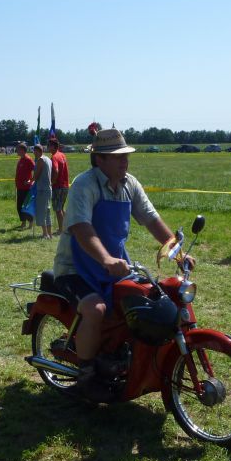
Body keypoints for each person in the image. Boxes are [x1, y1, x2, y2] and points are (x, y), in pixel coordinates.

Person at [52, 128, 188, 399]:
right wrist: (105, 259)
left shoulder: (129, 185)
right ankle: (87, 375)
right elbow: (81, 227)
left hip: (114, 265)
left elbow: (151, 219)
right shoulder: (84, 184)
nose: (124, 161)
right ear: (99, 159)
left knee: (146, 300)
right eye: (117, 157)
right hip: (76, 268)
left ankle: (123, 357)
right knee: (95, 308)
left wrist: (177, 251)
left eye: (125, 155)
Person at [49, 137, 70, 234]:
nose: (48, 147)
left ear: (53, 146)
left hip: (58, 187)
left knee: (58, 209)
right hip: (65, 186)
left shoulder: (54, 157)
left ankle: (61, 230)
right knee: (61, 208)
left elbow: (56, 170)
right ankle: (68, 227)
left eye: (49, 146)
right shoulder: (62, 155)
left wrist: (52, 182)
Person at [32, 143, 53, 239]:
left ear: (38, 151)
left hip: (42, 189)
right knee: (47, 211)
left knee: (41, 211)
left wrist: (31, 180)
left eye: (34, 151)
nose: (34, 153)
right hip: (48, 188)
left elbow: (36, 176)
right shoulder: (48, 159)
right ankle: (50, 233)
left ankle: (45, 234)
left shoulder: (40, 160)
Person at [14, 142, 34, 229]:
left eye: (18, 149)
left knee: (26, 206)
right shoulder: (20, 159)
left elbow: (36, 170)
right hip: (19, 187)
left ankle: (30, 223)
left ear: (22, 150)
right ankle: (23, 222)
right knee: (19, 206)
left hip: (27, 188)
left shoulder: (28, 159)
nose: (16, 150)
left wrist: (31, 181)